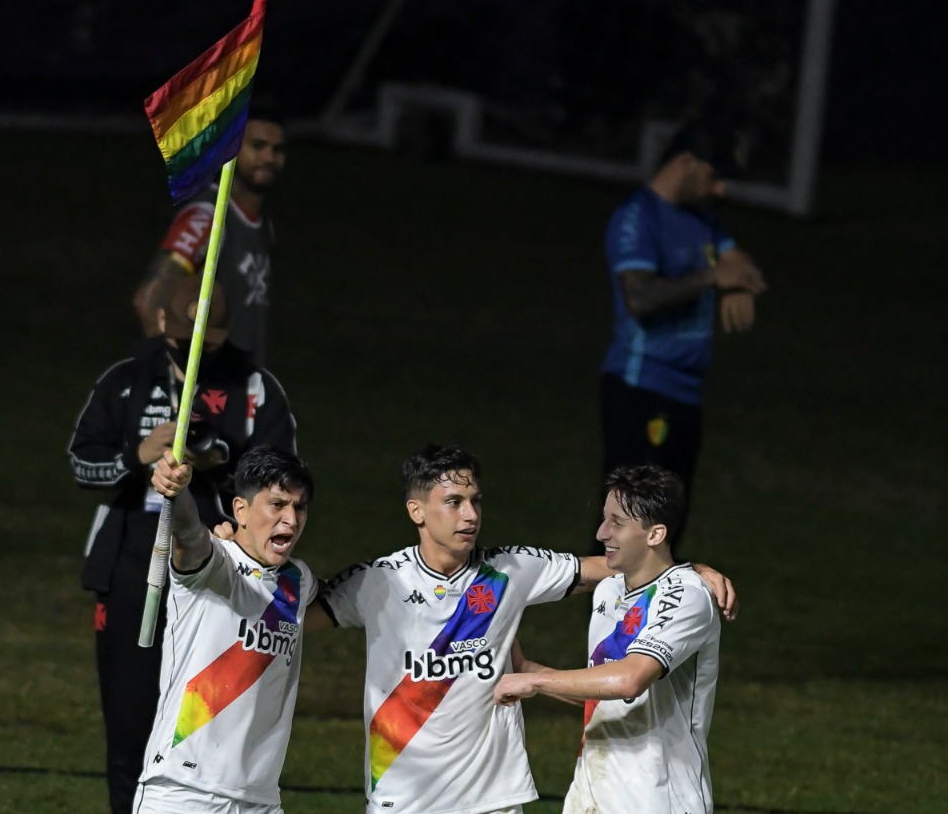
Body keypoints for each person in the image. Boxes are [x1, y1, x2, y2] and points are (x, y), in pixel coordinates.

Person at [311, 445, 736, 814]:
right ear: (416, 510)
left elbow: (634, 577)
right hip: (402, 793)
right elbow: (294, 620)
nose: (471, 514)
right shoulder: (378, 580)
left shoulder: (511, 570)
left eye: (476, 500)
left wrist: (691, 573)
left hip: (494, 797)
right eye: (455, 502)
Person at [67, 277, 296, 814]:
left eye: (212, 340)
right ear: (164, 324)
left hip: (220, 568)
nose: (201, 349)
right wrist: (136, 455)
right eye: (190, 336)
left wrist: (221, 459)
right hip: (129, 568)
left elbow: (285, 479)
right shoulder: (126, 381)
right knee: (129, 720)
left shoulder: (255, 388)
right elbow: (81, 462)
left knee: (207, 726)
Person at [494, 464, 722, 814]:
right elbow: (605, 696)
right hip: (593, 794)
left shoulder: (688, 596)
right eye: (603, 519)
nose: (601, 532)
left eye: (617, 522)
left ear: (655, 534)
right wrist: (520, 661)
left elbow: (630, 680)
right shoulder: (609, 590)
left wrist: (535, 681)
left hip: (658, 798)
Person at [598, 120, 767, 553]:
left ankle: (653, 620)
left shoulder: (702, 221)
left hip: (686, 395)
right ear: (686, 163)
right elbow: (640, 298)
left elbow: (744, 265)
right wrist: (714, 276)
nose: (720, 189)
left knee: (666, 530)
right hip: (641, 389)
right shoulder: (637, 217)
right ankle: (606, 618)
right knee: (629, 526)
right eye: (715, 175)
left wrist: (736, 283)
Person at [140, 445, 317, 813]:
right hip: (182, 792)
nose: (291, 520)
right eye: (278, 504)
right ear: (241, 510)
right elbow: (189, 536)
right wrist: (179, 491)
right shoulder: (215, 565)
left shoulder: (297, 581)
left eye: (299, 507)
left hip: (260, 801)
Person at [132, 109, 287, 368]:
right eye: (257, 146)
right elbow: (149, 301)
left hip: (245, 390)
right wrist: (178, 376)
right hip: (210, 395)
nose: (269, 158)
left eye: (278, 150)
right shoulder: (208, 217)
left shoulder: (262, 226)